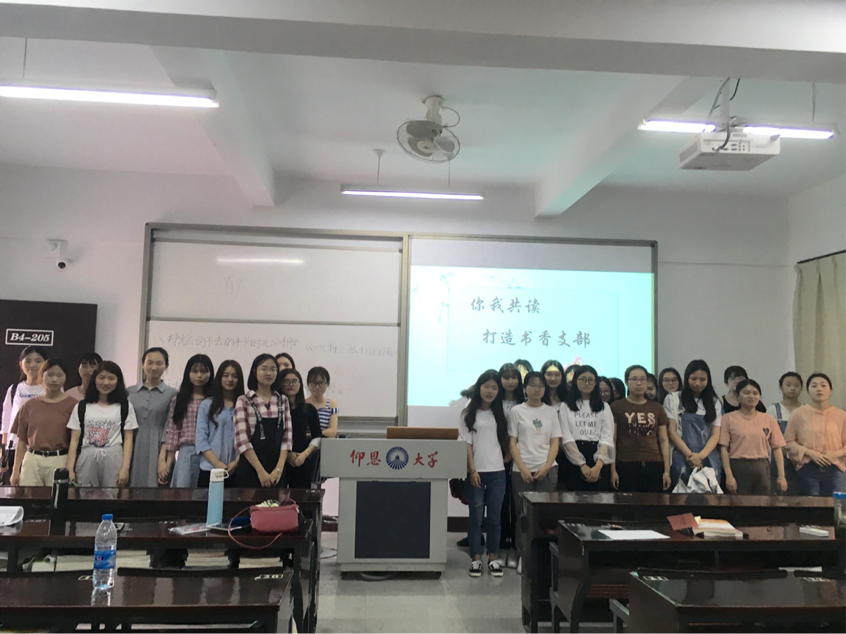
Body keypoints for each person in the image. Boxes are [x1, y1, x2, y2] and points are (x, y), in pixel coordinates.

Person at [508, 371, 560, 574]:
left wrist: (547, 466)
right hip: (521, 470)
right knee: (523, 515)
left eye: (541, 385)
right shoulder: (517, 411)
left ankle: (542, 557)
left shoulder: (551, 412)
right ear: (525, 388)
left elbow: (555, 441)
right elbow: (512, 442)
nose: (537, 389)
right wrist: (522, 467)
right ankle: (524, 556)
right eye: (533, 385)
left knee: (544, 515)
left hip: (547, 469)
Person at [460, 370, 509, 578]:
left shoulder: (501, 412)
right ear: (479, 387)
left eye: (494, 387)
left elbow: (507, 439)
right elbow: (466, 444)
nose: (490, 391)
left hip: (497, 473)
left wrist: (506, 457)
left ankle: (493, 558)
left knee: (495, 519)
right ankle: (476, 559)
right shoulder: (468, 412)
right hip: (476, 473)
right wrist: (472, 470)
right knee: (476, 518)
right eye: (486, 386)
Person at [66, 361, 138, 487]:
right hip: (87, 456)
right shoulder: (82, 406)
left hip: (114, 456)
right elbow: (74, 440)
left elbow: (128, 439)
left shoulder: (125, 407)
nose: (106, 382)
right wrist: (70, 468)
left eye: (111, 378)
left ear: (118, 381)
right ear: (94, 379)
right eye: (101, 377)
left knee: (112, 495)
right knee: (85, 494)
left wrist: (125, 468)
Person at [10, 359, 75, 486]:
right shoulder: (29, 405)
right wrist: (15, 470)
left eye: (59, 375)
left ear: (65, 378)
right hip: (32, 459)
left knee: (57, 497)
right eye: (50, 375)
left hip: (60, 459)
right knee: (29, 496)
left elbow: (75, 440)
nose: (54, 380)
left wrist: (70, 467)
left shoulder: (73, 405)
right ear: (41, 376)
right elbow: (21, 440)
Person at [610, 365, 672, 493]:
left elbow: (663, 440)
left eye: (643, 379)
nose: (639, 383)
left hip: (653, 463)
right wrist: (613, 470)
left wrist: (666, 471)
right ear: (626, 382)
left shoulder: (656, 407)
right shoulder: (616, 406)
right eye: (634, 379)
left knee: (653, 504)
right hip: (626, 464)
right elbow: (612, 439)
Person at [233, 354, 292, 488]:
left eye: (273, 369)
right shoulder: (244, 400)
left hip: (277, 472)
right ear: (255, 372)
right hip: (251, 469)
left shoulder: (283, 400)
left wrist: (278, 469)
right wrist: (260, 471)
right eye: (264, 369)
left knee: (277, 502)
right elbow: (242, 440)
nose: (268, 373)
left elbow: (287, 438)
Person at [720, 379, 787, 495]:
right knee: (738, 504)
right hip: (738, 466)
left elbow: (777, 449)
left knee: (762, 504)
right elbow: (723, 449)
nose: (751, 396)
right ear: (738, 397)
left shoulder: (768, 419)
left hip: (762, 467)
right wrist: (729, 476)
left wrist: (781, 476)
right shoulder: (728, 418)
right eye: (746, 393)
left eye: (755, 393)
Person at [784, 373, 846, 497]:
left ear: (830, 390)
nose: (819, 389)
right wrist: (810, 453)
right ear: (807, 391)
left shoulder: (841, 415)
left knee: (836, 504)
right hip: (808, 468)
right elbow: (788, 442)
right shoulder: (798, 413)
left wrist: (834, 454)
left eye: (823, 385)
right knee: (811, 504)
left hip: (835, 468)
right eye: (814, 386)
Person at [665, 360, 723, 485]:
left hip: (708, 456)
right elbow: (671, 432)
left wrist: (700, 456)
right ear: (687, 378)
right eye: (693, 379)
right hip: (682, 456)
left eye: (702, 379)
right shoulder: (673, 399)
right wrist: (691, 456)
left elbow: (715, 434)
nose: (698, 383)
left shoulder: (714, 402)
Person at [160, 354, 214, 487]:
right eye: (195, 371)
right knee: (184, 492)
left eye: (204, 371)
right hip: (187, 452)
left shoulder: (215, 400)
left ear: (210, 373)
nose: (199, 375)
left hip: (211, 453)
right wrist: (169, 462)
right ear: (188, 373)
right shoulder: (180, 399)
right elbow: (173, 430)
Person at [559, 365, 615, 491]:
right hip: (573, 457)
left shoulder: (604, 406)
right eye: (582, 379)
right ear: (575, 381)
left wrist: (598, 465)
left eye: (590, 380)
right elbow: (566, 437)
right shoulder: (565, 406)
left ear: (595, 383)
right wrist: (581, 464)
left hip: (598, 457)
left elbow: (607, 437)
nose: (586, 383)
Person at [128, 348, 178, 487]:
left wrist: (164, 458)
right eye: (149, 363)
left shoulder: (172, 394)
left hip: (159, 445)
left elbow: (170, 427)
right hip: (133, 443)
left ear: (166, 366)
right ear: (142, 364)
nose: (154, 367)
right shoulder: (129, 392)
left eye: (159, 363)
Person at [1, 346, 47, 484]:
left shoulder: (50, 389)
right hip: (15, 448)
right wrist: (3, 451)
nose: (33, 365)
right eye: (28, 361)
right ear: (21, 364)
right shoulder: (14, 389)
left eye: (38, 361)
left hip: (39, 449)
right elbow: (6, 423)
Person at [196, 360, 244, 488]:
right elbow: (201, 440)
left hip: (237, 470)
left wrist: (236, 463)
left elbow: (249, 439)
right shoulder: (207, 405)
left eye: (235, 376)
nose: (230, 379)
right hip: (210, 469)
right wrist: (218, 464)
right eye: (225, 375)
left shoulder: (245, 405)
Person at [497, 363, 522, 569]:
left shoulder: (524, 400)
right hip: (497, 458)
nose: (510, 381)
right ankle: (501, 546)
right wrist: (505, 452)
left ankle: (516, 547)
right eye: (506, 377)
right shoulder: (494, 401)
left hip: (522, 458)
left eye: (514, 377)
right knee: (501, 504)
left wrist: (512, 453)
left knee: (518, 504)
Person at [279, 368, 322, 489]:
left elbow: (317, 436)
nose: (291, 384)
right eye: (286, 381)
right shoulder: (275, 409)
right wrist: (287, 454)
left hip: (301, 461)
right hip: (279, 462)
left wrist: (304, 455)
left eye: (295, 381)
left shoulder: (308, 409)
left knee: (301, 498)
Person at [766, 372, 803, 495]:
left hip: (802, 461)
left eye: (796, 385)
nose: (792, 388)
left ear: (801, 388)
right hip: (779, 461)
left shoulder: (806, 410)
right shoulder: (773, 410)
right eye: (788, 385)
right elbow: (769, 438)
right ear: (781, 387)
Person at [306, 367, 339, 438]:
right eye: (313, 383)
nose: (317, 387)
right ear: (308, 384)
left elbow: (332, 431)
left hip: (324, 443)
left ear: (327, 384)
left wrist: (313, 435)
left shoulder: (331, 404)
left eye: (321, 383)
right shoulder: (303, 404)